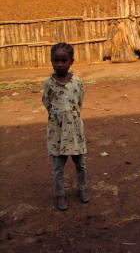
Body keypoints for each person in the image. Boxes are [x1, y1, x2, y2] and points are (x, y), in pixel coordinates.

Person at [42, 42, 89, 210]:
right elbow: (46, 102)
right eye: (56, 60)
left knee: (81, 163)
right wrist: (59, 116)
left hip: (75, 130)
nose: (60, 64)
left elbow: (79, 101)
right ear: (51, 61)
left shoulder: (77, 81)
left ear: (71, 61)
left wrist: (71, 116)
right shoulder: (49, 84)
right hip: (57, 132)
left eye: (64, 60)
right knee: (58, 167)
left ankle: (82, 189)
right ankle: (60, 195)